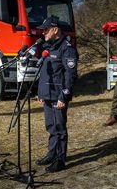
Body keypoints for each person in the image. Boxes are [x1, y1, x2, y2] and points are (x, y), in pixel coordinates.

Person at [36, 16, 78, 173]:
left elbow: (70, 75)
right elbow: (45, 74)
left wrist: (63, 96)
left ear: (55, 30)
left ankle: (60, 160)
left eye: (45, 30)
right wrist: (41, 93)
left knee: (59, 128)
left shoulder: (67, 49)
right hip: (47, 95)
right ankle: (52, 153)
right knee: (51, 126)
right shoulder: (49, 47)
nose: (43, 33)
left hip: (58, 96)